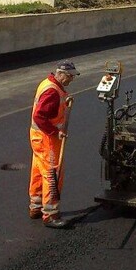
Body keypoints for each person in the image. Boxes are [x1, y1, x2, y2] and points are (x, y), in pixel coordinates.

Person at [28, 60, 80, 229]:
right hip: (47, 139)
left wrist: (65, 101)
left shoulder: (49, 83)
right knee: (52, 174)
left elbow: (51, 108)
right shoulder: (51, 91)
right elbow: (40, 116)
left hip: (38, 136)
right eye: (71, 76)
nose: (72, 79)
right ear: (62, 74)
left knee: (38, 171)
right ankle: (50, 214)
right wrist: (55, 131)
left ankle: (35, 206)